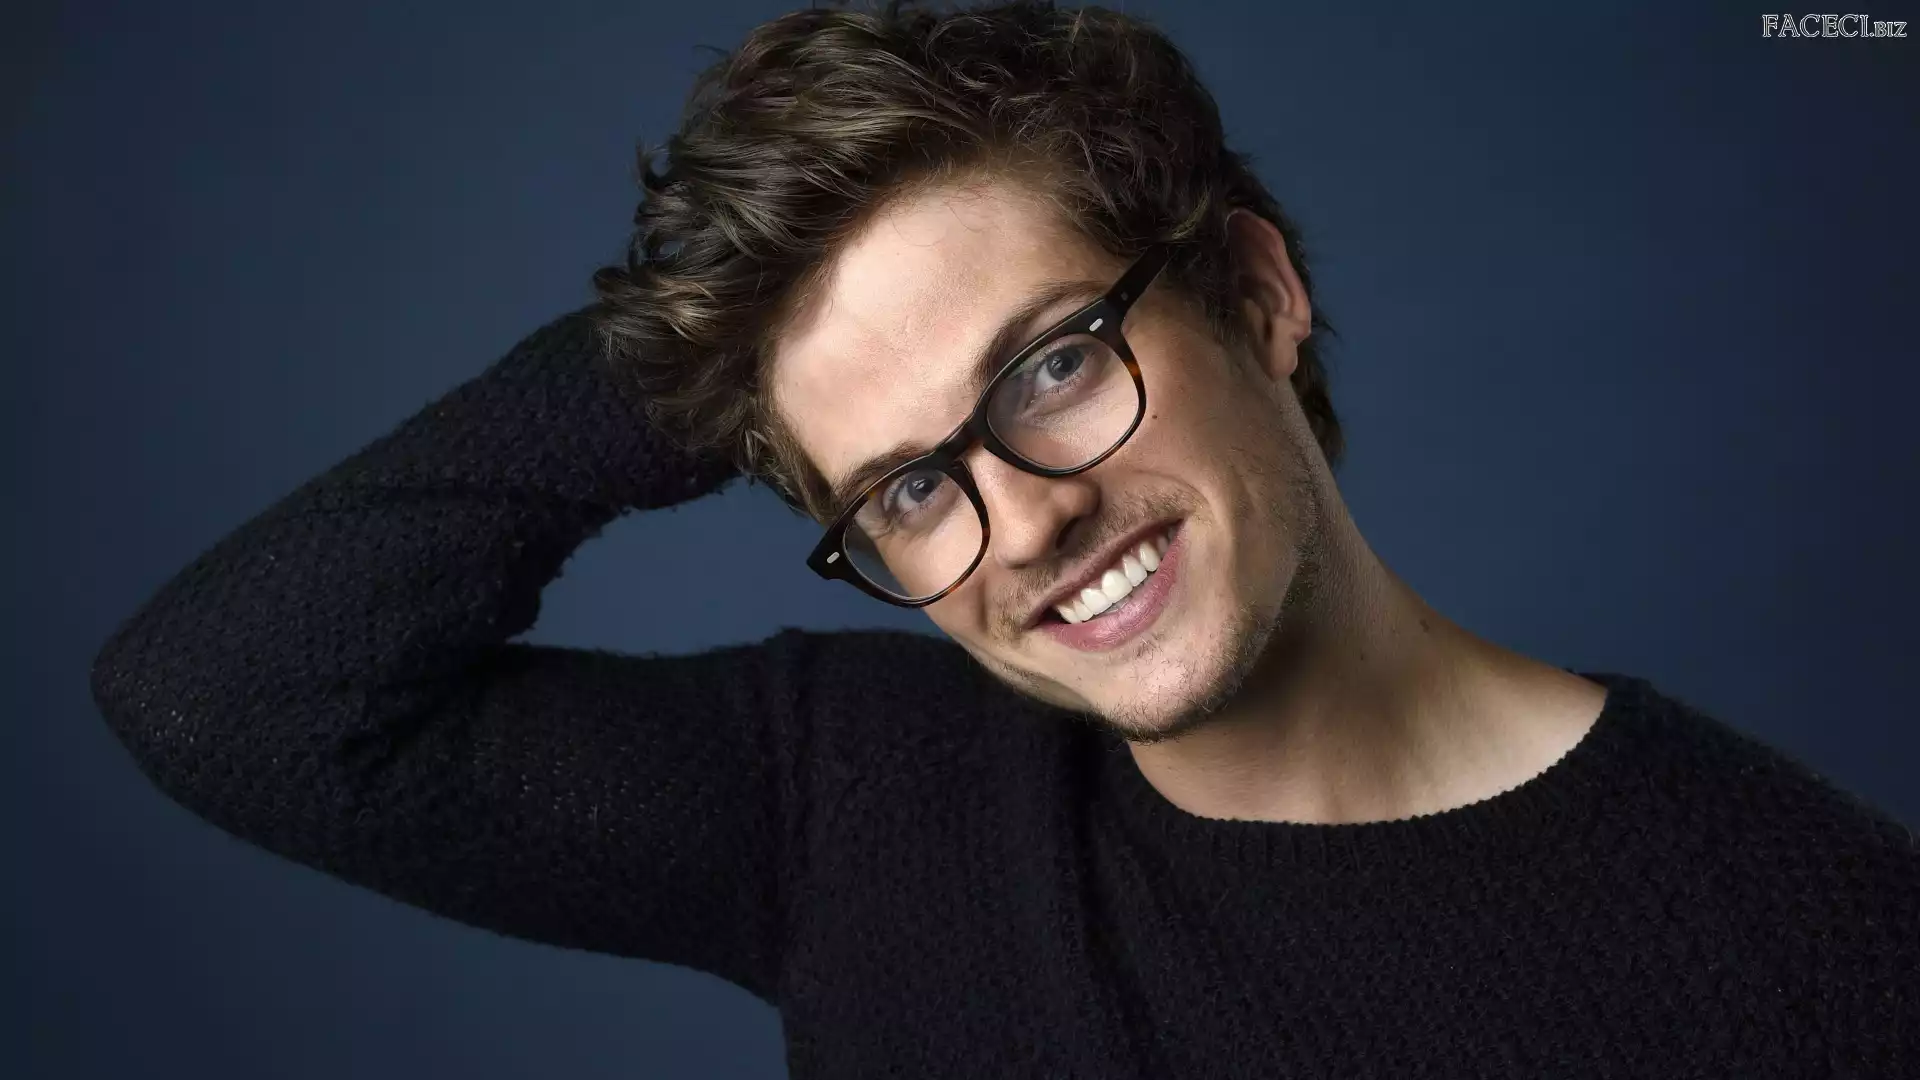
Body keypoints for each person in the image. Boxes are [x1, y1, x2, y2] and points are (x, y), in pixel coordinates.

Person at [89, 2, 1918, 1076]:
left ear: (1256, 291)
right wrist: (714, 343)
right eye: (906, 487)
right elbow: (229, 698)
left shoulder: (1812, 937)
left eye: (1051, 367)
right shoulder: (851, 802)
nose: (1029, 520)